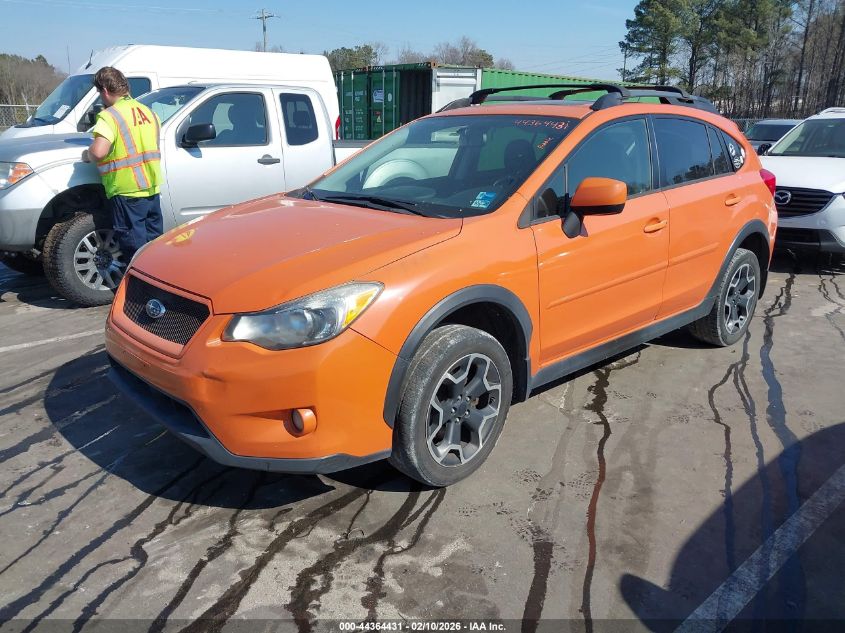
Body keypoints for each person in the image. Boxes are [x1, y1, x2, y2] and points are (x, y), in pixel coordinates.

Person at [82, 66, 162, 282]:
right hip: (152, 188)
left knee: (135, 248)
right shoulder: (149, 113)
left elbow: (99, 151)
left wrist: (86, 155)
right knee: (154, 245)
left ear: (105, 91)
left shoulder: (109, 116)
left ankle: (142, 291)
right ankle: (160, 283)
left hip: (127, 191)